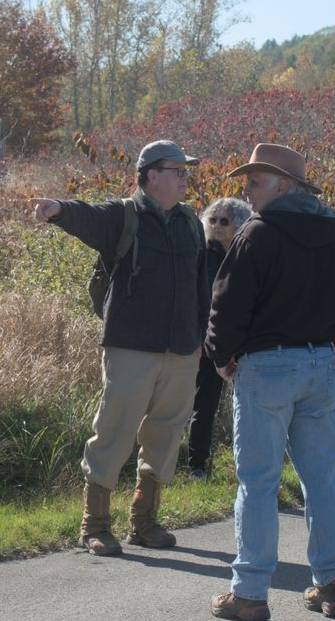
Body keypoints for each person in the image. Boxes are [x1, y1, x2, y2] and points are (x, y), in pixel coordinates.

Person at [206, 143, 335, 621]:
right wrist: (334, 341)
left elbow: (226, 305)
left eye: (256, 181)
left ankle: (249, 592)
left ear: (285, 186)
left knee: (258, 483)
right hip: (320, 367)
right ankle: (332, 584)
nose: (247, 189)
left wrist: (222, 357)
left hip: (266, 369)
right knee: (322, 478)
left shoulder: (257, 234)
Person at [30, 140, 208, 556]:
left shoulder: (189, 223)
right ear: (151, 176)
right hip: (131, 346)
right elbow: (87, 215)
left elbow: (202, 286)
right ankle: (94, 525)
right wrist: (57, 209)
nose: (186, 179)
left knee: (165, 435)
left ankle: (144, 523)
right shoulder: (123, 215)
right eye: (178, 171)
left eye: (187, 172)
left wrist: (200, 337)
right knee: (114, 431)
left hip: (182, 349)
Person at [187, 197, 253, 479]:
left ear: (239, 222)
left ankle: (250, 465)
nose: (217, 226)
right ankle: (197, 466)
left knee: (251, 406)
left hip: (247, 341)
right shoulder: (203, 254)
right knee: (205, 404)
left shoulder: (247, 252)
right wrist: (202, 339)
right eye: (213, 220)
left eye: (224, 221)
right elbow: (198, 301)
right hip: (211, 341)